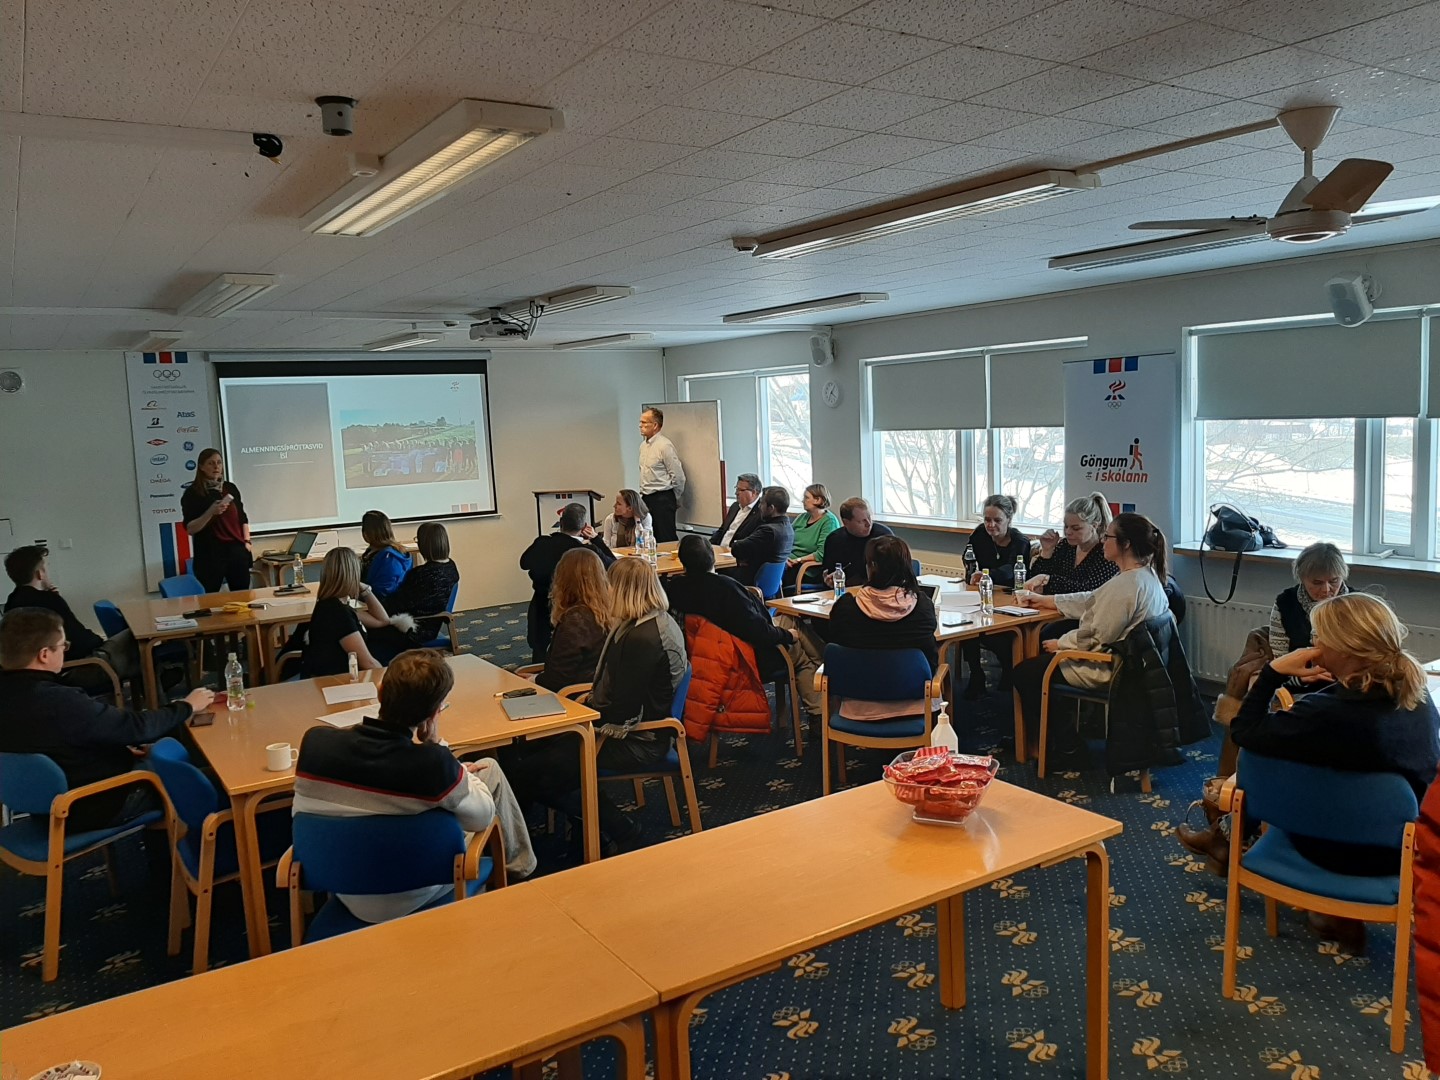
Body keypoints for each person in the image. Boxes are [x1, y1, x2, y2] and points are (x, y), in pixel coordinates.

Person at [1197, 595, 1437, 949]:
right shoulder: (1419, 698)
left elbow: (1244, 731)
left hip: (1327, 848)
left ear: (1345, 648)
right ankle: (1337, 914)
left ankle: (1227, 837)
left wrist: (1273, 672)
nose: (1314, 643)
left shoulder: (1323, 716)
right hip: (1401, 850)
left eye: (1320, 637)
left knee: (1277, 772)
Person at [292, 648, 536, 924]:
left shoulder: (315, 743)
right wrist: (444, 754)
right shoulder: (432, 765)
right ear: (435, 712)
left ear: (380, 692)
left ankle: (519, 866)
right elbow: (481, 819)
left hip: (343, 885)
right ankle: (522, 872)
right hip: (416, 888)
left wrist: (450, 771)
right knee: (488, 770)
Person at [508, 558, 686, 853]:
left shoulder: (642, 639)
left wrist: (577, 718)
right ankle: (592, 830)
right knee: (536, 759)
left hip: (639, 739)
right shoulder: (648, 623)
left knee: (530, 772)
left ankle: (620, 829)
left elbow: (622, 711)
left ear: (623, 590)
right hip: (635, 729)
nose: (606, 590)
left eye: (610, 585)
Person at [0, 607, 217, 831]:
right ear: (44, 655)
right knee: (192, 779)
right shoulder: (58, 701)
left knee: (160, 756)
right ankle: (189, 845)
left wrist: (118, 749)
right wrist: (187, 705)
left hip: (42, 807)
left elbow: (54, 742)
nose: (65, 651)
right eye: (63, 645)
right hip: (90, 805)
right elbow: (138, 728)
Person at [1013, 512, 1172, 755]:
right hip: (1133, 664)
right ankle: (1057, 739)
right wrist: (1047, 600)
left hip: (1110, 667)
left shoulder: (1125, 586)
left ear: (1125, 544)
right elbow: (1093, 599)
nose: (1103, 542)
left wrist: (1061, 644)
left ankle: (1067, 746)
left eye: (1108, 537)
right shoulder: (1144, 576)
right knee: (1038, 667)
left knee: (1025, 673)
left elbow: (1098, 636)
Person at [784, 536, 938, 720]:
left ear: (871, 567)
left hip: (857, 706)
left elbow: (837, 642)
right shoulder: (923, 607)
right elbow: (932, 658)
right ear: (906, 566)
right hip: (918, 704)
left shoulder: (845, 609)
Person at [664, 535, 795, 682]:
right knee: (800, 638)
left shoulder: (674, 590)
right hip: (745, 658)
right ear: (713, 558)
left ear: (683, 563)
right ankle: (814, 688)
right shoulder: (728, 591)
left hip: (698, 660)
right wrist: (789, 636)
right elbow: (758, 631)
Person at [4, 544, 139, 684]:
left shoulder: (11, 602)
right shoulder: (50, 601)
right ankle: (150, 692)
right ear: (40, 574)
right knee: (137, 638)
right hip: (78, 668)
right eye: (46, 568)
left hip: (44, 673)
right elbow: (82, 641)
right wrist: (99, 641)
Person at [519, 503, 615, 663]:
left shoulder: (542, 544)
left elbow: (524, 563)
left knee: (541, 655)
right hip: (576, 610)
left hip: (541, 608)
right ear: (584, 527)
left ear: (561, 523)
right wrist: (596, 539)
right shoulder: (586, 553)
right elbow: (613, 565)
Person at [298, 548, 413, 678]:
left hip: (336, 678)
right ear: (353, 575)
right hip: (339, 681)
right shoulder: (337, 613)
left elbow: (382, 620)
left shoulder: (331, 605)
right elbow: (368, 663)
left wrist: (365, 590)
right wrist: (390, 680)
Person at [961, 495, 1033, 699]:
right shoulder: (979, 534)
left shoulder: (1020, 541)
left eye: (997, 520)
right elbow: (968, 557)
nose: (990, 525)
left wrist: (989, 575)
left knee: (995, 635)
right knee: (966, 628)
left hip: (1011, 597)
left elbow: (1012, 569)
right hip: (984, 594)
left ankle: (1008, 672)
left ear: (1009, 519)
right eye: (987, 520)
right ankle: (976, 674)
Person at [535, 548, 611, 693]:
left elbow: (556, 680)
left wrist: (534, 680)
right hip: (596, 691)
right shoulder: (610, 611)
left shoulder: (575, 621)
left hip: (572, 695)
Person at [180, 448, 252, 592]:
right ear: (201, 467)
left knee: (243, 597)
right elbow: (191, 528)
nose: (216, 467)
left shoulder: (230, 488)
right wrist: (211, 512)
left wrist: (247, 541)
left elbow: (242, 518)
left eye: (219, 463)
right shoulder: (193, 493)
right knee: (209, 599)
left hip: (236, 551)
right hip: (210, 555)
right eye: (211, 463)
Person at [382, 521, 460, 644]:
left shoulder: (422, 574)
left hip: (415, 628)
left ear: (425, 544)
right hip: (431, 625)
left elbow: (398, 604)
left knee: (364, 629)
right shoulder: (451, 567)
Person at [1026, 492, 1117, 595]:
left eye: (1076, 528)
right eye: (1066, 526)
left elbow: (1089, 590)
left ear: (1094, 526)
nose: (1068, 532)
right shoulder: (1065, 545)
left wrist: (1048, 580)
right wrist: (1047, 551)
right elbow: (1034, 581)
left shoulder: (1106, 552)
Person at [1269, 541, 1349, 654]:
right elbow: (1280, 655)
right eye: (1317, 583)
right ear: (1302, 579)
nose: (1326, 589)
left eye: (1334, 581)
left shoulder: (1357, 605)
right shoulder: (1285, 603)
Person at [819, 497, 895, 588]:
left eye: (869, 518)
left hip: (879, 588)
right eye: (861, 521)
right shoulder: (834, 539)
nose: (868, 524)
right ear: (846, 522)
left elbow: (894, 572)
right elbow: (828, 572)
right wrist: (830, 581)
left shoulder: (883, 536)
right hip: (845, 589)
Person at [730, 486, 795, 589]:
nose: (760, 507)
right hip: (771, 586)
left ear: (771, 508)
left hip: (750, 583)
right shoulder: (788, 528)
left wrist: (742, 553)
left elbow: (736, 548)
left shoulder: (768, 531)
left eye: (762, 503)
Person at [638, 407, 685, 542]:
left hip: (662, 498)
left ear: (655, 425)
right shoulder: (643, 446)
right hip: (646, 497)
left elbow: (678, 476)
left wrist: (674, 497)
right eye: (640, 422)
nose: (640, 425)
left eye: (644, 422)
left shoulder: (664, 446)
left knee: (665, 538)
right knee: (649, 537)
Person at [785, 484, 840, 592]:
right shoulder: (802, 517)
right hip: (788, 562)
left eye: (806, 498)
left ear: (818, 500)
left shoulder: (829, 521)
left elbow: (821, 554)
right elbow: (787, 539)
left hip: (807, 569)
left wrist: (797, 560)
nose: (803, 501)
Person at [359, 510, 413, 603]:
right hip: (376, 601)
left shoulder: (388, 558)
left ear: (367, 533)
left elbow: (381, 592)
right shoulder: (397, 552)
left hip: (380, 604)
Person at [711, 473, 763, 548]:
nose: (736, 493)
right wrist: (709, 546)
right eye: (736, 489)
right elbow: (722, 530)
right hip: (720, 549)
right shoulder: (735, 506)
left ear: (754, 492)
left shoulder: (761, 512)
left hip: (736, 551)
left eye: (741, 490)